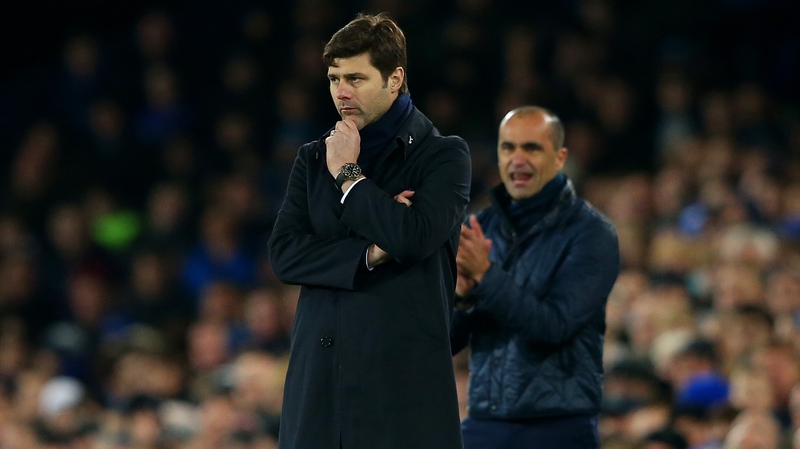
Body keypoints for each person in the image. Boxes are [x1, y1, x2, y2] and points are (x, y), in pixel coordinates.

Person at [268, 13, 471, 449]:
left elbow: (413, 236)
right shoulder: (311, 157)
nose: (341, 92)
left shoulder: (443, 157)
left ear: (395, 79)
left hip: (402, 388)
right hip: (322, 382)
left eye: (356, 78)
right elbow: (285, 254)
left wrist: (349, 176)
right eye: (333, 78)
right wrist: (370, 253)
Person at [451, 106, 620, 449]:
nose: (517, 158)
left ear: (560, 158)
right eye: (508, 147)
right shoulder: (479, 229)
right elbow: (445, 343)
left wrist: (485, 275)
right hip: (485, 421)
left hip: (557, 426)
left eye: (532, 148)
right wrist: (462, 299)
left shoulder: (592, 233)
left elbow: (553, 326)